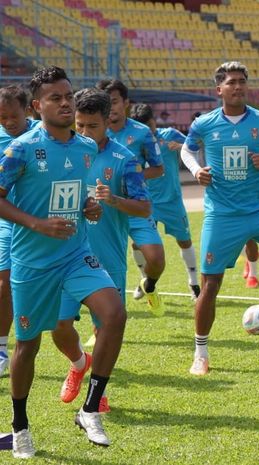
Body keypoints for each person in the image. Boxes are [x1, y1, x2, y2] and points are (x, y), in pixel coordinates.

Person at [0, 66, 126, 458]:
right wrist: (36, 222)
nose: (65, 102)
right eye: (55, 97)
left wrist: (86, 206)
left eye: (68, 95)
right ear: (37, 106)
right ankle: (19, 425)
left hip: (75, 253)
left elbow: (71, 194)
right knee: (28, 345)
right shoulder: (20, 149)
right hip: (32, 261)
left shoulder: (87, 147)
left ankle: (90, 409)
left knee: (115, 314)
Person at [180, 61, 259, 376]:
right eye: (231, 82)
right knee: (211, 286)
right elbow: (187, 150)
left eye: (242, 81)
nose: (237, 86)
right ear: (219, 89)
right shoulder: (204, 124)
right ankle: (201, 353)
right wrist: (197, 170)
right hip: (221, 216)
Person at [51, 88, 150, 415]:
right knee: (59, 326)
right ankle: (79, 362)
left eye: (91, 126)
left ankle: (98, 392)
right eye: (79, 125)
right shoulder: (64, 153)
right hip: (66, 256)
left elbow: (144, 207)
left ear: (107, 122)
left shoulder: (126, 160)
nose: (84, 133)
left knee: (104, 327)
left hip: (107, 259)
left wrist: (115, 200)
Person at [96, 79, 165, 316]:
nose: (110, 107)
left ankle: (150, 285)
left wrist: (130, 177)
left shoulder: (141, 132)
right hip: (104, 208)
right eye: (106, 102)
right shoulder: (92, 131)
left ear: (125, 103)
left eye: (114, 102)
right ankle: (102, 322)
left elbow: (158, 168)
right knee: (105, 266)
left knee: (156, 260)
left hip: (134, 205)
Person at [131, 103, 200, 299]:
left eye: (151, 125)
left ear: (154, 121)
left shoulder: (169, 134)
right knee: (137, 244)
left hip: (172, 201)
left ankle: (194, 283)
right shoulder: (135, 141)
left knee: (184, 241)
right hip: (146, 201)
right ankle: (145, 279)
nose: (149, 130)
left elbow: (195, 145)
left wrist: (182, 146)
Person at [0, 85, 41, 377]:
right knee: (3, 283)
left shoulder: (43, 134)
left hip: (41, 221)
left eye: (12, 116)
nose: (8, 123)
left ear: (27, 110)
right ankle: (2, 349)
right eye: (2, 118)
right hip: (7, 220)